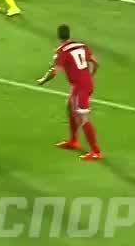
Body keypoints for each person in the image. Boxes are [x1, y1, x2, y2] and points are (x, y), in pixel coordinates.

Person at [36, 24, 102, 160]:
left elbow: (54, 71)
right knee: (69, 106)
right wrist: (89, 76)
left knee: (83, 117)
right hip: (85, 84)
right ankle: (73, 140)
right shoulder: (81, 45)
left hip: (80, 88)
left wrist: (43, 80)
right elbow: (96, 63)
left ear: (58, 36)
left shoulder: (62, 51)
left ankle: (96, 151)